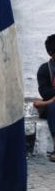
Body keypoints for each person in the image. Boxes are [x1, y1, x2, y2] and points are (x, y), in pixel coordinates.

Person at [33, 34, 55, 162]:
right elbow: (45, 93)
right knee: (53, 107)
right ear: (51, 53)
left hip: (50, 101)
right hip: (51, 106)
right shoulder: (44, 69)